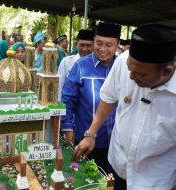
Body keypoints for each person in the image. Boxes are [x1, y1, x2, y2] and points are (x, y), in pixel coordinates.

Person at [73, 24, 176, 189]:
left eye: (140, 74)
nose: (131, 75)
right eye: (130, 66)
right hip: (118, 166)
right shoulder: (122, 60)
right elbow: (108, 97)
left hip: (155, 181)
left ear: (167, 70)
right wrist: (91, 134)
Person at [61, 22, 121, 173]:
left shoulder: (123, 67)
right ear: (94, 40)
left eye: (109, 45)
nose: (102, 49)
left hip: (117, 144)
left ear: (117, 45)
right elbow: (67, 100)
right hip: (86, 141)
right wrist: (67, 128)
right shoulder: (81, 66)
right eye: (99, 43)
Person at [57, 29, 95, 100]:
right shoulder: (67, 62)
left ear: (94, 46)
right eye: (82, 45)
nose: (84, 49)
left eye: (88, 45)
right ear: (77, 45)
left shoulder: (98, 65)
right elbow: (59, 86)